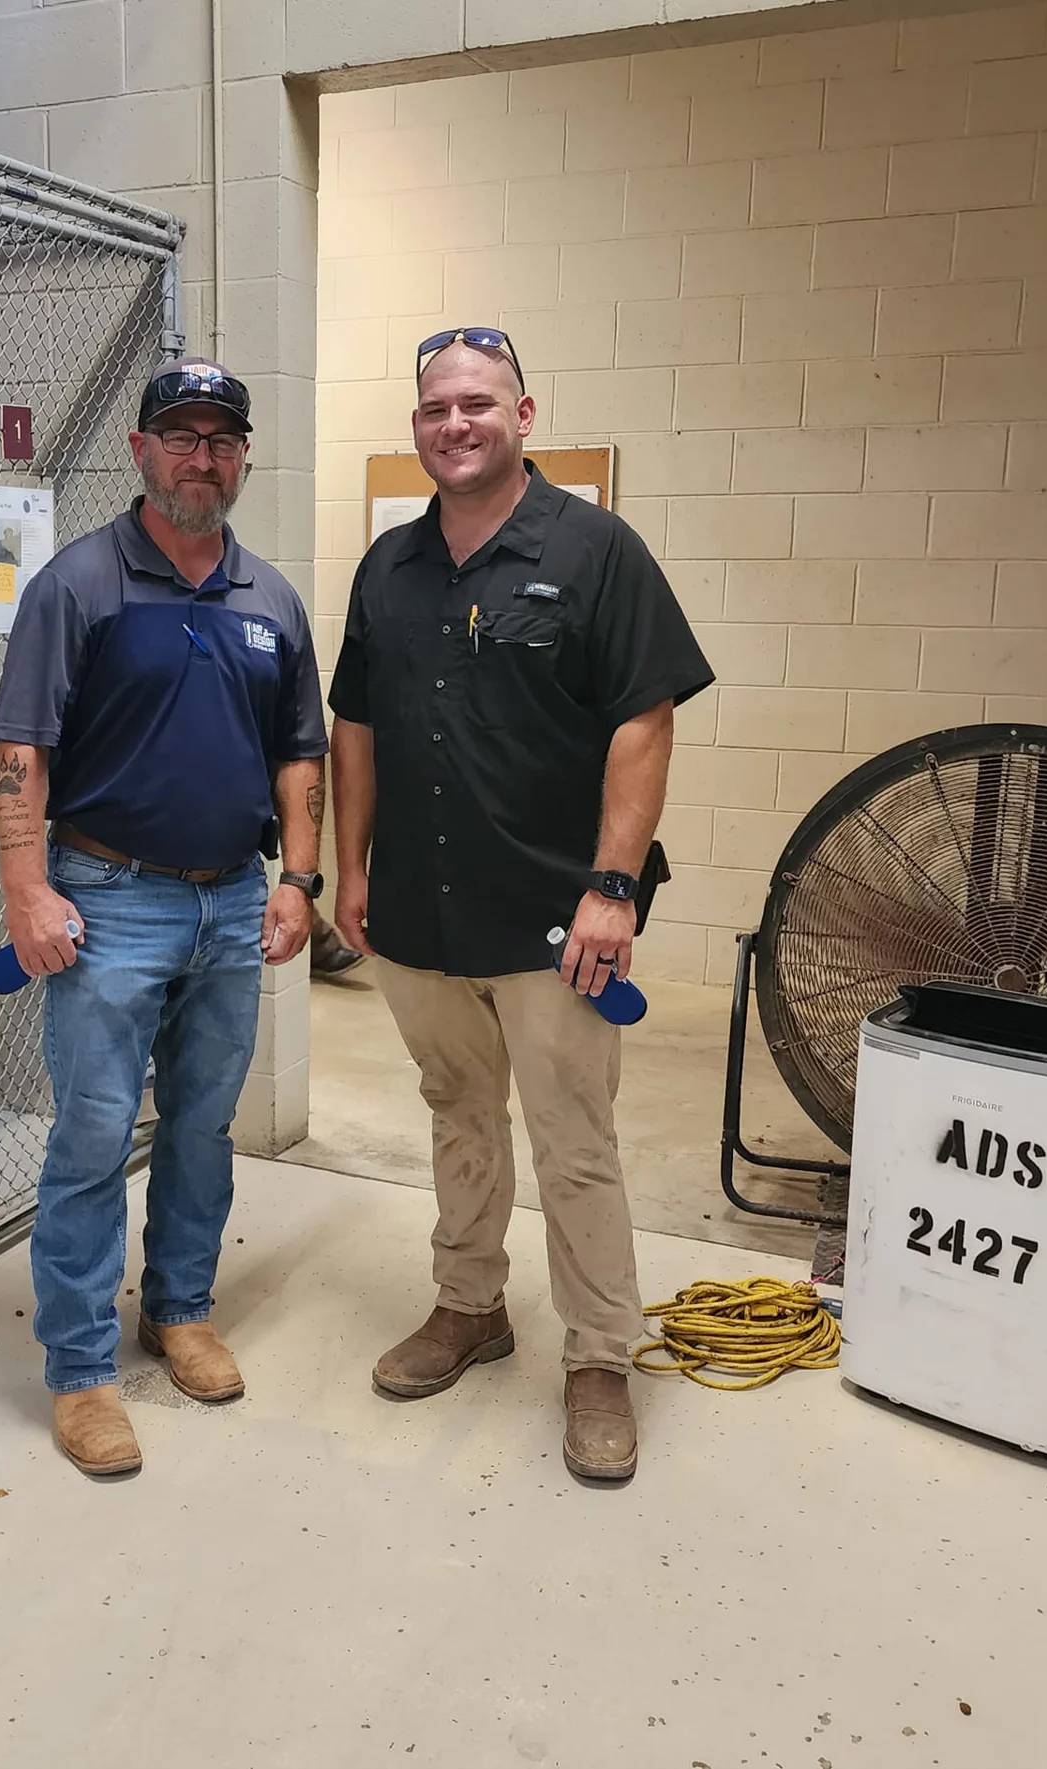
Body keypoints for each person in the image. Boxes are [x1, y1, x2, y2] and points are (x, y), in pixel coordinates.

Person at [328, 327, 714, 1482]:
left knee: (574, 1139)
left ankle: (600, 1354)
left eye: (479, 404)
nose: (457, 424)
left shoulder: (595, 551)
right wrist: (349, 869)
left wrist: (611, 887)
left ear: (524, 414)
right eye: (437, 406)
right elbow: (355, 725)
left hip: (556, 917)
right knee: (456, 1111)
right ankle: (470, 1304)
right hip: (417, 909)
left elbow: (645, 721)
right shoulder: (386, 569)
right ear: (416, 424)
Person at [0, 359, 328, 1477]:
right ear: (140, 450)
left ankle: (178, 1309)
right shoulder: (78, 585)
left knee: (200, 1124)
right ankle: (81, 1368)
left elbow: (300, 753)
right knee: (92, 1135)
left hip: (234, 902)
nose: (202, 455)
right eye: (179, 435)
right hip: (109, 899)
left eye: (222, 438)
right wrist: (27, 888)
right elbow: (19, 752)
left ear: (242, 456)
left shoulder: (270, 600)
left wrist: (300, 881)